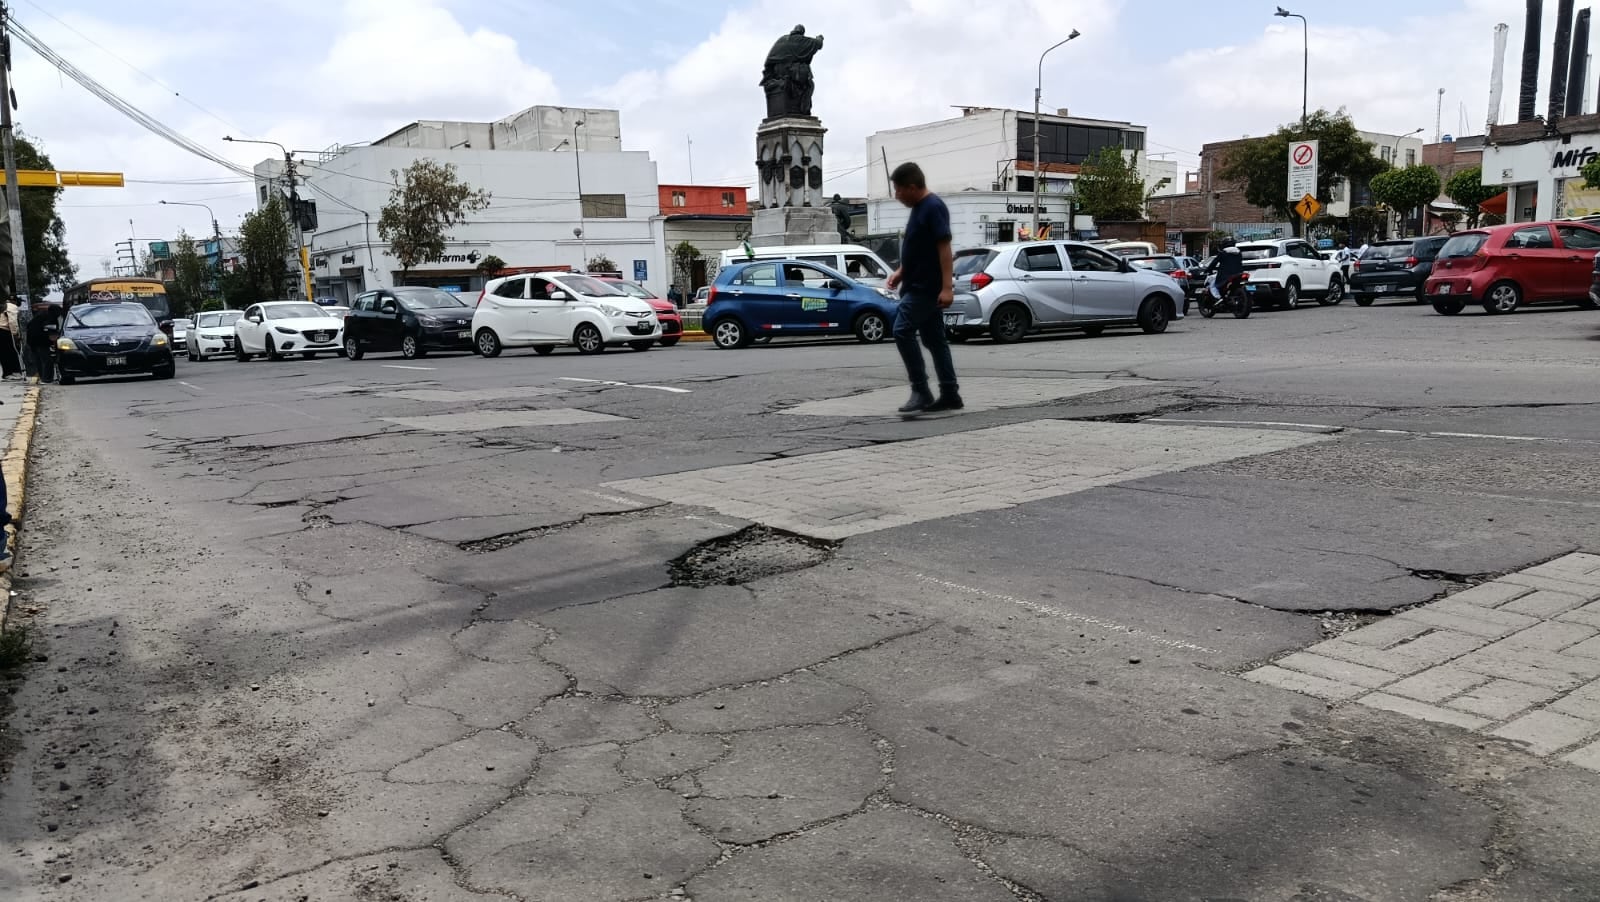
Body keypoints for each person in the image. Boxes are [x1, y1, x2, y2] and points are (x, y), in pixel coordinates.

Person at [884, 162, 960, 415]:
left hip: (925, 288)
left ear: (913, 187)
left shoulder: (933, 207)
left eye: (898, 190)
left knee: (901, 330)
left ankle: (921, 391)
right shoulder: (919, 208)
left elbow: (943, 249)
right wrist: (901, 272)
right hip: (916, 283)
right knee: (935, 340)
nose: (897, 196)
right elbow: (919, 249)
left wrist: (947, 287)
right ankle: (949, 393)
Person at [25, 300, 61, 384]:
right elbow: (52, 334)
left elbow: (29, 326)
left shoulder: (41, 315)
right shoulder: (51, 318)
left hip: (32, 341)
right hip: (40, 341)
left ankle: (43, 378)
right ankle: (47, 379)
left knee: (39, 360)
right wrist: (55, 343)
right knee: (47, 360)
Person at [0, 297, 21, 380]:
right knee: (11, 352)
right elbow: (12, 321)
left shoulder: (3, 306)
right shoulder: (11, 306)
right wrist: (15, 333)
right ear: (14, 301)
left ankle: (6, 373)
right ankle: (14, 372)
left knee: (3, 353)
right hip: (4, 330)